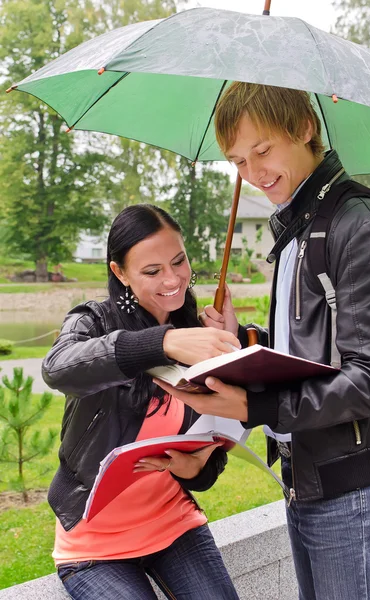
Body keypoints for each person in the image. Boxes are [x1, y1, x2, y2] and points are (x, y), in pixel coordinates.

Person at [155, 83, 370, 600]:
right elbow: (314, 349)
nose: (253, 174)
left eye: (262, 150)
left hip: (349, 483)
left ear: (304, 128)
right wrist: (241, 340)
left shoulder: (360, 224)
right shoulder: (297, 227)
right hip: (304, 474)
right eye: (239, 161)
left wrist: (254, 403)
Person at [42, 203, 241, 600]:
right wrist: (163, 342)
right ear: (120, 272)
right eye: (152, 271)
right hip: (94, 545)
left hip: (174, 524)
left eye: (178, 261)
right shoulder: (94, 320)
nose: (173, 279)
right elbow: (57, 367)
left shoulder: (198, 332)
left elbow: (214, 445)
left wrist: (192, 469)